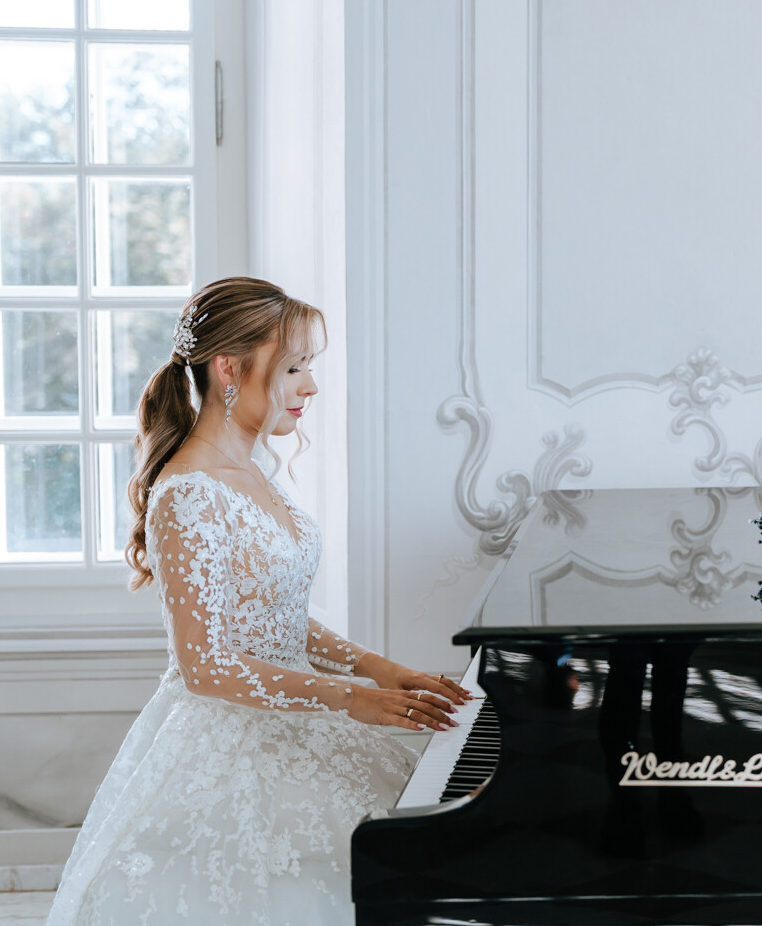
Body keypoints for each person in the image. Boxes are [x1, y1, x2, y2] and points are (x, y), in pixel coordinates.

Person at [47, 277, 467, 925]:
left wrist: (377, 667)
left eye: (309, 367)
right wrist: (351, 697)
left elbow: (274, 615)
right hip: (229, 743)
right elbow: (205, 666)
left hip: (297, 713)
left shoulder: (252, 470)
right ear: (228, 369)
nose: (310, 386)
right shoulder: (189, 493)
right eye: (295, 367)